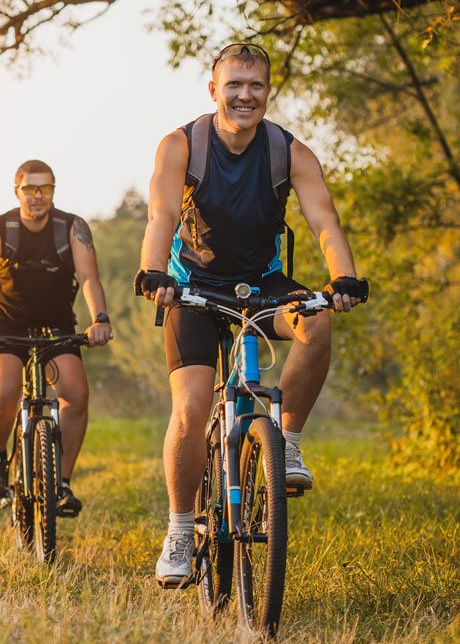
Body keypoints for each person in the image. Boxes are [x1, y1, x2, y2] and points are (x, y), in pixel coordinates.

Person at [135, 44, 368, 585]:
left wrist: (344, 277)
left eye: (256, 85)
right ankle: (180, 526)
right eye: (234, 84)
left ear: (268, 91)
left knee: (316, 322)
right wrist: (154, 272)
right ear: (214, 89)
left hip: (261, 284)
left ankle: (283, 443)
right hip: (191, 287)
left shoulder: (289, 152)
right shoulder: (181, 145)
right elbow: (163, 212)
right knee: (193, 409)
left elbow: (325, 222)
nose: (245, 95)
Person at [0, 159, 112, 516]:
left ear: (53, 192)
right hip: (6, 322)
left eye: (46, 188)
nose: (38, 196)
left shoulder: (72, 228)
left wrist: (100, 319)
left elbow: (89, 277)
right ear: (18, 191)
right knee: (6, 391)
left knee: (76, 395)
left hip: (56, 324)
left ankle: (61, 484)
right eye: (30, 189)